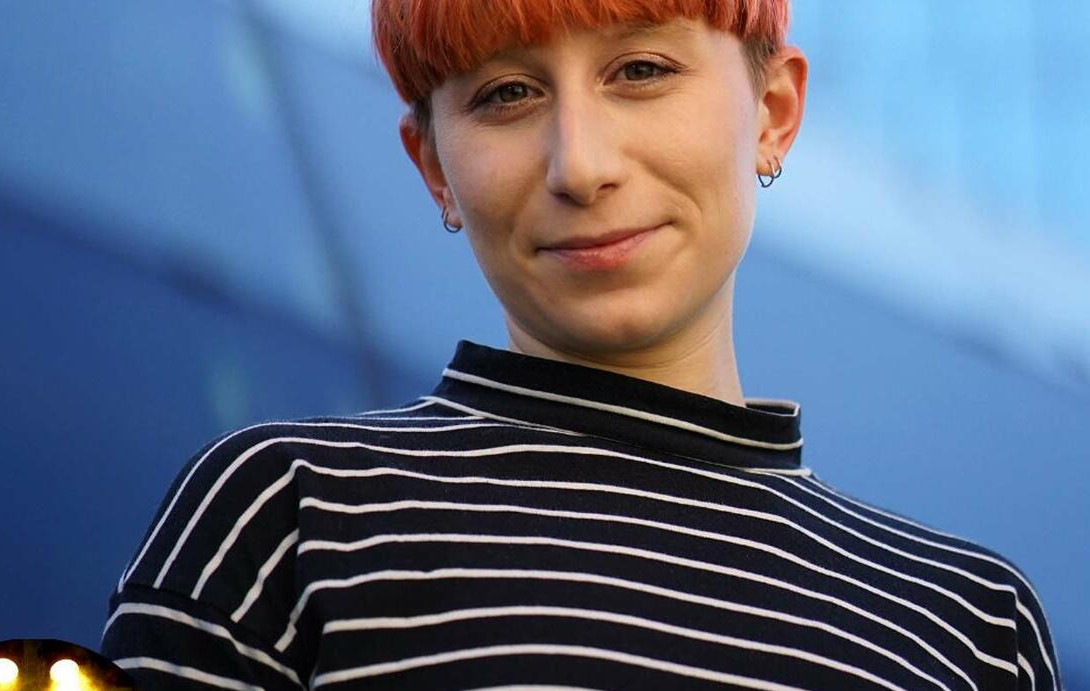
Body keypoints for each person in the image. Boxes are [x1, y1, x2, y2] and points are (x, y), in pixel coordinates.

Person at [100, 0, 1063, 688]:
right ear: (433, 166)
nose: (582, 165)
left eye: (640, 71)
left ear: (774, 113)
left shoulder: (968, 626)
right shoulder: (288, 514)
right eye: (508, 94)